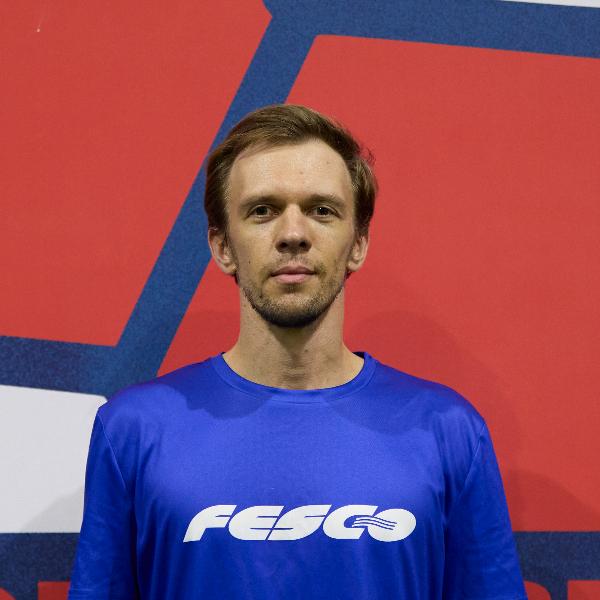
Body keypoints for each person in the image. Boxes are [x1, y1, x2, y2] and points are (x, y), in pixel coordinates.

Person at [68, 104, 527, 599]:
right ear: (222, 247)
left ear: (358, 244)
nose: (292, 234)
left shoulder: (448, 431)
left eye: (322, 210)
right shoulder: (134, 429)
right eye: (262, 210)